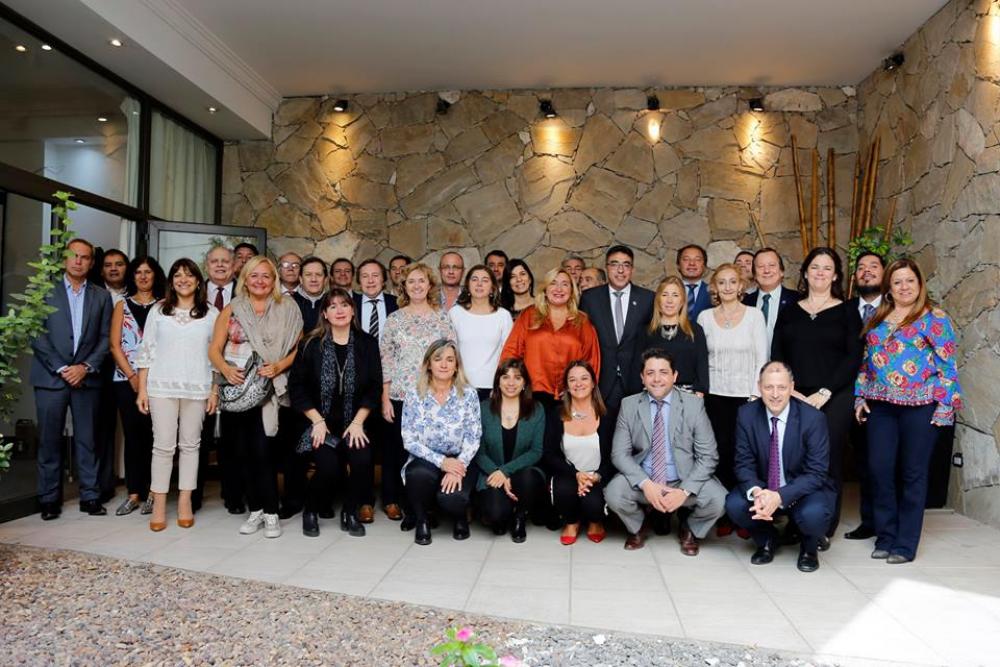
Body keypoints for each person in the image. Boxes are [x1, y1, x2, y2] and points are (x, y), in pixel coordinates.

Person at [855, 259, 962, 564]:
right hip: (881, 406)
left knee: (913, 473)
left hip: (921, 407)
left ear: (919, 284)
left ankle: (905, 544)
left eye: (909, 281)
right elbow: (867, 362)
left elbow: (948, 366)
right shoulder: (878, 317)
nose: (904, 287)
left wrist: (945, 407)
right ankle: (886, 536)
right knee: (879, 469)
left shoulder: (935, 319)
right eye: (897, 282)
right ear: (889, 288)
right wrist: (859, 396)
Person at [772, 247, 862, 546]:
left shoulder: (848, 311)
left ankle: (823, 525)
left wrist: (825, 392)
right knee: (794, 458)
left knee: (827, 459)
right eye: (815, 267)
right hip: (794, 393)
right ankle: (796, 522)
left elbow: (853, 357)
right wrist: (790, 389)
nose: (820, 272)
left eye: (827, 268)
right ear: (805, 272)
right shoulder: (790, 310)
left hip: (835, 395)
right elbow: (777, 352)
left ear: (835, 276)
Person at [209, 256, 302, 538]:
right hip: (236, 389)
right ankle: (256, 510)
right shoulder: (233, 308)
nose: (260, 281)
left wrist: (279, 366)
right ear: (245, 279)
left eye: (266, 276)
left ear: (274, 280)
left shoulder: (288, 307)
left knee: (264, 452)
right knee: (243, 454)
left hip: (268, 389)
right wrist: (226, 369)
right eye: (254, 275)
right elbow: (214, 349)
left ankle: (271, 513)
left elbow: (298, 347)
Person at [606, 349, 726, 553]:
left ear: (674, 376)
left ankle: (690, 529)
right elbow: (619, 454)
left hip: (682, 480)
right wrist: (645, 484)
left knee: (719, 500)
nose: (657, 379)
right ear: (642, 377)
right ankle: (639, 526)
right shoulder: (629, 405)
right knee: (614, 493)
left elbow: (709, 456)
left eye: (663, 372)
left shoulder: (693, 405)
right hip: (645, 479)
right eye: (650, 373)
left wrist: (684, 491)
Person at [289, 288, 383, 537]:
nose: (339, 310)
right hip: (320, 423)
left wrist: (358, 422)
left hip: (355, 422)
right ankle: (310, 510)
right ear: (325, 314)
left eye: (344, 305)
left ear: (353, 311)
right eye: (333, 306)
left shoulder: (368, 344)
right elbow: (296, 387)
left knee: (362, 460)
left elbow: (375, 387)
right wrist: (317, 421)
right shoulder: (310, 344)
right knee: (328, 467)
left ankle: (350, 512)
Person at [725, 361, 836, 572]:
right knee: (735, 505)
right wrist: (757, 492)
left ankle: (809, 548)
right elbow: (743, 462)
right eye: (769, 387)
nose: (775, 394)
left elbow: (816, 472)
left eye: (782, 387)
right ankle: (767, 540)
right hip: (764, 487)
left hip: (802, 490)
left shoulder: (813, 419)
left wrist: (780, 496)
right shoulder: (746, 415)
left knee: (814, 514)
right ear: (759, 387)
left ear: (792, 387)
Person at [31, 238, 113, 519]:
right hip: (50, 378)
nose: (78, 261)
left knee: (88, 440)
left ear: (92, 263)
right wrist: (62, 367)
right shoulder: (44, 291)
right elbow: (37, 334)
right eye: (74, 255)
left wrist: (85, 367)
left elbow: (106, 338)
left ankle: (90, 496)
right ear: (64, 259)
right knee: (49, 440)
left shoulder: (101, 296)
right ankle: (49, 499)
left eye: (85, 257)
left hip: (86, 379)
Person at [135, 259, 219, 531]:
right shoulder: (159, 310)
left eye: (189, 275)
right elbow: (147, 349)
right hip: (161, 387)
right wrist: (142, 389)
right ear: (171, 281)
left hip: (198, 387)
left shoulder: (211, 313)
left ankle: (184, 501)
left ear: (198, 281)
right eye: (178, 275)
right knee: (162, 447)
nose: (183, 279)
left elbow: (217, 355)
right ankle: (159, 503)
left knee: (191, 446)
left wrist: (214, 389)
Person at [380, 262, 456, 523]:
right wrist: (385, 397)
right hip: (400, 396)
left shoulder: (442, 317)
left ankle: (425, 504)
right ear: (403, 286)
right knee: (396, 450)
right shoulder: (395, 319)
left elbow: (451, 355)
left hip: (432, 397)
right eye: (410, 281)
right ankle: (394, 500)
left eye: (421, 280)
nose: (416, 285)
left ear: (430, 285)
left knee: (427, 451)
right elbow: (386, 359)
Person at [697, 263, 768, 537]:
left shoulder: (754, 316)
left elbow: (762, 357)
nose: (727, 287)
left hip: (746, 397)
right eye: (721, 282)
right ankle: (725, 514)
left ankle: (746, 515)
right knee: (719, 455)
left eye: (732, 281)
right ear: (714, 288)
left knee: (745, 456)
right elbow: (701, 359)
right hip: (714, 397)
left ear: (741, 286)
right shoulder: (705, 317)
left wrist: (755, 395)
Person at [402, 339, 481, 545]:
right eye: (438, 359)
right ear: (429, 364)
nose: (444, 364)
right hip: (426, 459)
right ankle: (422, 520)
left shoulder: (469, 394)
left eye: (450, 360)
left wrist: (457, 466)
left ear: (456, 365)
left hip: (460, 459)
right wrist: (442, 462)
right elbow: (409, 440)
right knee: (418, 475)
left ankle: (460, 517)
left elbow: (473, 437)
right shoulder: (414, 395)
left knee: (453, 498)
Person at [108, 256, 166, 516]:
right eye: (138, 272)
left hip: (158, 381)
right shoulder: (122, 305)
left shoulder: (165, 306)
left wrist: (146, 379)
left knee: (156, 437)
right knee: (133, 438)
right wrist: (132, 376)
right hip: (125, 381)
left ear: (155, 276)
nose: (143, 276)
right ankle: (133, 494)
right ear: (132, 276)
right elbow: (114, 345)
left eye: (148, 272)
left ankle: (154, 492)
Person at [501, 267, 600, 410]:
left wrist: (583, 390)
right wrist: (511, 384)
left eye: (565, 284)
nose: (559, 289)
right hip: (531, 396)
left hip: (571, 397)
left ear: (572, 290)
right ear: (545, 289)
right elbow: (511, 353)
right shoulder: (528, 315)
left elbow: (592, 361)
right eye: (553, 283)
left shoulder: (582, 321)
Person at [474, 359, 545, 543]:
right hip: (492, 473)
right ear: (498, 381)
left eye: (517, 378)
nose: (511, 383)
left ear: (524, 383)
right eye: (505, 377)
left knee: (529, 479)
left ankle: (520, 515)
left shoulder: (536, 409)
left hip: (522, 474)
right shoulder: (484, 408)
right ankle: (505, 511)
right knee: (496, 516)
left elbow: (536, 451)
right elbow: (479, 452)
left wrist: (505, 471)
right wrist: (498, 473)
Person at [579, 245, 654, 418]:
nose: (620, 270)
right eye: (614, 264)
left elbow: (651, 342)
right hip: (601, 383)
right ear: (606, 267)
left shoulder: (647, 299)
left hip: (635, 383)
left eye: (626, 265)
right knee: (602, 433)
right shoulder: (590, 298)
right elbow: (582, 341)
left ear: (632, 269)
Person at [543, 361, 613, 545]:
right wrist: (576, 474)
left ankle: (595, 521)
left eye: (584, 378)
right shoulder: (556, 414)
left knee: (593, 504)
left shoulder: (607, 414)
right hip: (568, 472)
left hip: (597, 475)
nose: (578, 384)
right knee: (564, 491)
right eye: (572, 380)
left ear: (593, 383)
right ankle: (571, 522)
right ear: (566, 386)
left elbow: (614, 457)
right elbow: (549, 454)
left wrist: (596, 476)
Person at [352, 258, 398, 521]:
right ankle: (364, 501)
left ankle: (391, 499)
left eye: (376, 275)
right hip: (360, 384)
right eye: (365, 276)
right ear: (359, 281)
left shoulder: (396, 304)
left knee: (391, 443)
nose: (370, 280)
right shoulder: (350, 304)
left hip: (392, 383)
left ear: (384, 279)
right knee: (363, 444)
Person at [843, 251, 884, 540]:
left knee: (880, 462)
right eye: (860, 267)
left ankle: (882, 522)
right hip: (844, 393)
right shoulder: (843, 309)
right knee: (861, 461)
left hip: (881, 396)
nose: (866, 271)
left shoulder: (895, 309)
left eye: (873, 266)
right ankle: (868, 521)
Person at [198, 245, 241, 514]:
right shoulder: (194, 290)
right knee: (199, 436)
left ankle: (232, 493)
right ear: (207, 265)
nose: (220, 265)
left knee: (231, 439)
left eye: (226, 261)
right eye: (215, 261)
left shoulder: (244, 293)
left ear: (235, 265)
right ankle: (194, 495)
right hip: (200, 373)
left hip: (236, 375)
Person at [636, 276, 709, 396]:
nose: (669, 300)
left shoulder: (695, 330)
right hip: (652, 394)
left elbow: (702, 365)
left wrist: (699, 393)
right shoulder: (645, 331)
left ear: (682, 301)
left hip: (687, 395)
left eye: (675, 295)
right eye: (665, 295)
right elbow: (637, 367)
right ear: (658, 299)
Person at [95, 247, 129, 502]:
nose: (114, 268)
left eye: (119, 264)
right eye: (108, 265)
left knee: (135, 428)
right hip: (101, 369)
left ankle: (138, 485)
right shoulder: (94, 293)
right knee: (103, 428)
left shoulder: (137, 293)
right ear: (101, 270)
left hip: (132, 370)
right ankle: (104, 484)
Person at [450, 265, 513, 401]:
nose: (479, 284)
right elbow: (449, 351)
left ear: (493, 288)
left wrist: (500, 386)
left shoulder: (503, 316)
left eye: (485, 280)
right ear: (467, 286)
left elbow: (508, 355)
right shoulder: (455, 313)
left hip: (492, 388)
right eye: (474, 279)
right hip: (460, 386)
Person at [743, 247, 801, 349]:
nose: (766, 270)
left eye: (772, 265)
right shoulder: (745, 303)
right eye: (761, 266)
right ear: (754, 275)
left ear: (782, 271)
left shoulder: (797, 300)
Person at [293, 256, 329, 333]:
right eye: (308, 275)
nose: (313, 279)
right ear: (301, 279)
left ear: (325, 280)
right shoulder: (290, 302)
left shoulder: (332, 302)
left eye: (318, 275)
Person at [676, 245, 712, 322]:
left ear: (704, 266)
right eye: (686, 259)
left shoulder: (713, 292)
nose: (692, 263)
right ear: (678, 265)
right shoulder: (667, 292)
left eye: (698, 259)